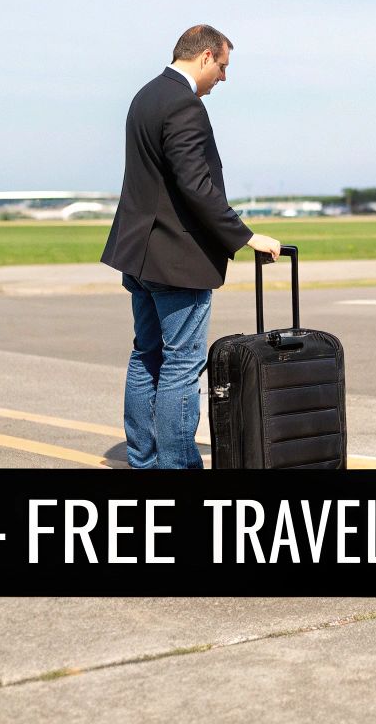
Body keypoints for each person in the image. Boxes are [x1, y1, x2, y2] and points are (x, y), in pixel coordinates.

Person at [100, 25, 282, 469]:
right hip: (174, 258)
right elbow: (195, 185)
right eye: (222, 66)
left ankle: (143, 459)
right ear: (204, 57)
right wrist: (244, 235)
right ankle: (177, 465)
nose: (223, 77)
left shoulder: (146, 95)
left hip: (139, 253)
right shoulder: (184, 104)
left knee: (147, 354)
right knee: (182, 363)